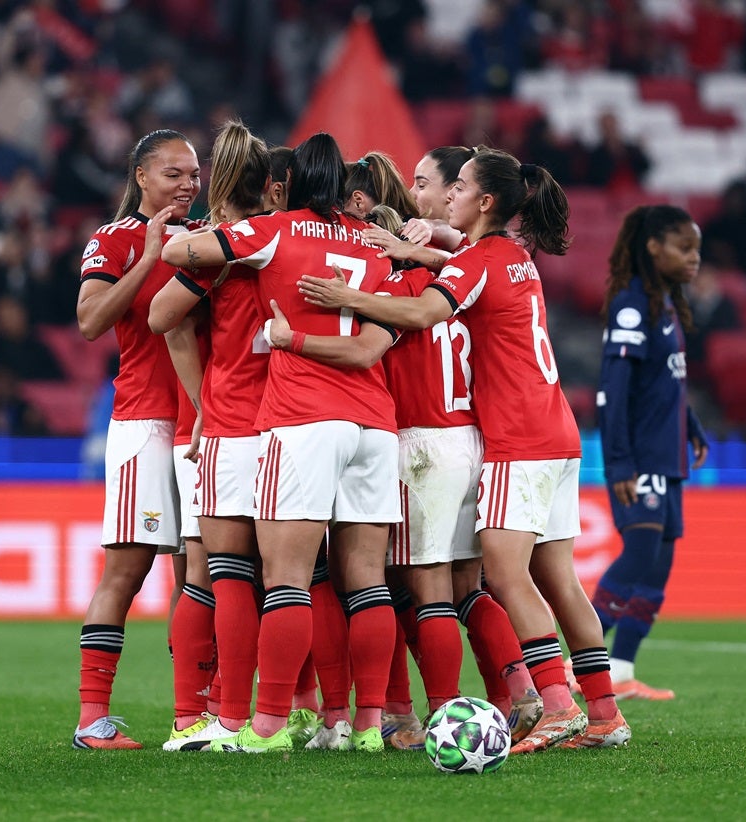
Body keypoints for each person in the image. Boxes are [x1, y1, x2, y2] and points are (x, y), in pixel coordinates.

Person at [298, 147, 631, 752]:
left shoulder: (476, 260)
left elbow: (426, 309)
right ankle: (605, 713)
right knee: (557, 579)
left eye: (458, 188)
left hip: (513, 438)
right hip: (557, 432)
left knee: (497, 575)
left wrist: (348, 298)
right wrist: (418, 249)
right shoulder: (513, 257)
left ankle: (554, 705)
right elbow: (457, 259)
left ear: (484, 201)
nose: (446, 195)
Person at [163, 132, 401, 754]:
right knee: (365, 581)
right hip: (376, 422)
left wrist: (196, 235)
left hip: (300, 419)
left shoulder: (275, 231)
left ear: (288, 184)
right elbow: (381, 337)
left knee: (281, 579)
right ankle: (367, 725)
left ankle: (260, 724)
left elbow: (176, 264)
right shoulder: (375, 247)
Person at [358, 147, 542, 750]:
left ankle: (436, 715)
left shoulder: (397, 289)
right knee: (469, 587)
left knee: (422, 587)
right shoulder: (463, 271)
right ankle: (518, 691)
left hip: (420, 444)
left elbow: (373, 348)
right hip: (470, 439)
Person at [149, 121, 284, 751]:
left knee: (212, 572)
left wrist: (201, 405)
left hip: (226, 423)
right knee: (301, 578)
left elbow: (163, 319)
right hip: (297, 424)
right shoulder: (293, 238)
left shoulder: (220, 249)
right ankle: (308, 713)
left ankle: (205, 715)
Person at [73, 129, 203, 750]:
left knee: (200, 575)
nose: (187, 183)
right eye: (174, 173)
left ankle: (191, 714)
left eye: (194, 173)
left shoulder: (211, 239)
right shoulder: (114, 238)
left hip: (207, 426)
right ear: (142, 176)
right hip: (145, 424)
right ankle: (92, 718)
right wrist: (150, 256)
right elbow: (92, 321)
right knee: (126, 571)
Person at [590, 204, 709, 700]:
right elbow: (613, 391)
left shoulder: (666, 304)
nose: (694, 258)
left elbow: (666, 383)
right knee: (638, 554)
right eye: (684, 248)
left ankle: (620, 672)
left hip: (668, 455)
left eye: (697, 249)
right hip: (639, 458)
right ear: (654, 247)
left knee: (657, 567)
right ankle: (573, 661)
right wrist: (619, 462)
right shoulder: (633, 305)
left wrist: (693, 426)